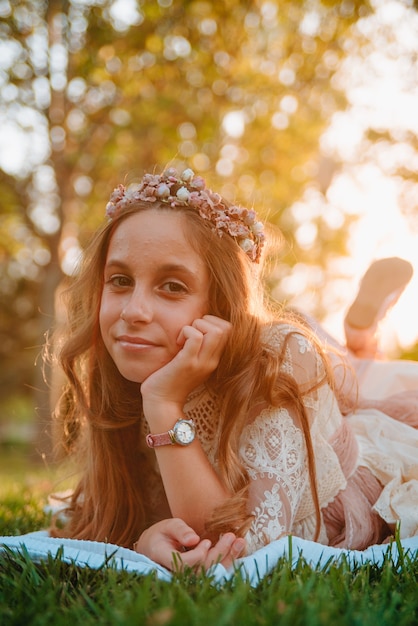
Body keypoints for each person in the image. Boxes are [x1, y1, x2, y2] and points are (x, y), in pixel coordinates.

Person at [46, 166, 418, 572]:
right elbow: (127, 520)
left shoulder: (275, 359)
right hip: (318, 394)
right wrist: (143, 538)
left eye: (172, 286)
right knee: (350, 379)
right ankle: (356, 339)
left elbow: (235, 548)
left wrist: (164, 404)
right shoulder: (123, 369)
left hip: (347, 436)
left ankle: (359, 334)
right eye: (119, 280)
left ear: (221, 305)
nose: (134, 312)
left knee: (358, 380)